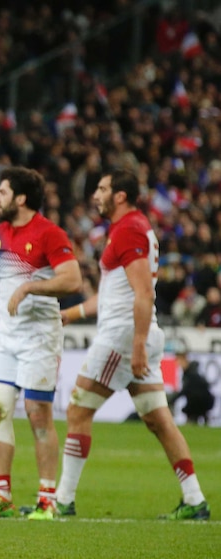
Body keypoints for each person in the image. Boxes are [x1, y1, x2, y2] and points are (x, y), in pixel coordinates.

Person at [56, 168, 210, 520]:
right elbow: (114, 293)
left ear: (120, 195)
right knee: (160, 421)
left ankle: (62, 500)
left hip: (123, 336)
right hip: (135, 333)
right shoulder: (130, 229)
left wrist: (137, 344)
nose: (95, 195)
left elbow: (143, 292)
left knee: (78, 410)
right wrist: (73, 313)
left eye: (102, 188)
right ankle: (194, 499)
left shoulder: (128, 230)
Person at [0, 167, 82, 520]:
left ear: (20, 198)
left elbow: (72, 278)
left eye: (2, 191)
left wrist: (30, 286)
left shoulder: (49, 233)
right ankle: (1, 494)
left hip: (39, 334)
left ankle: (47, 498)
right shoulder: (1, 232)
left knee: (37, 414)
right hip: (7, 334)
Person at [169, 345, 215, 425]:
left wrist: (171, 400)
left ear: (184, 359)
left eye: (179, 360)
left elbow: (185, 390)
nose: (178, 363)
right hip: (204, 401)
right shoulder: (193, 371)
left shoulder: (190, 374)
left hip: (198, 403)